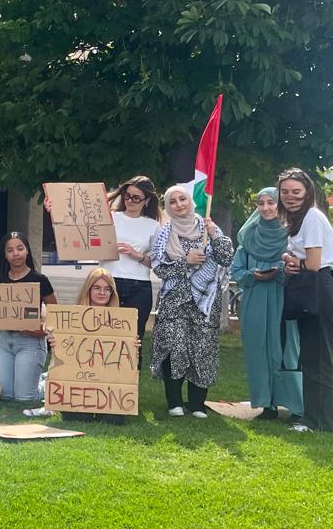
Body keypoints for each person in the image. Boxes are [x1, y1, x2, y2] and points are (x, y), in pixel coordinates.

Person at [150, 185, 233, 420]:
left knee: (202, 349)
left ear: (191, 201)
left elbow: (226, 257)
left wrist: (214, 233)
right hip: (173, 300)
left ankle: (197, 403)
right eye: (173, 201)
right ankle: (174, 401)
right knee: (173, 346)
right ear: (167, 206)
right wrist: (184, 262)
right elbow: (158, 268)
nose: (179, 204)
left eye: (182, 199)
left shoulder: (208, 227)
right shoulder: (164, 233)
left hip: (205, 302)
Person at [229, 187, 303, 421]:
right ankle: (266, 404)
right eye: (261, 204)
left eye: (271, 203)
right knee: (258, 351)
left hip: (285, 300)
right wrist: (253, 274)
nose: (266, 208)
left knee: (286, 350)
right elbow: (236, 269)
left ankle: (295, 405)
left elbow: (299, 267)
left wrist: (279, 270)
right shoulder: (248, 236)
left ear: (280, 205)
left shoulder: (291, 236)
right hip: (255, 300)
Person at [278, 168, 333, 432]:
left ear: (307, 192)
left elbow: (314, 264)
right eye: (285, 192)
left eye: (296, 192)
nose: (290, 197)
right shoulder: (298, 220)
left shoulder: (312, 217)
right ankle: (314, 420)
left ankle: (320, 423)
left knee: (319, 361)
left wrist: (293, 261)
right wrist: (290, 261)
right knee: (312, 360)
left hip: (320, 291)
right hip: (311, 289)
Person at [28, 268, 133, 422]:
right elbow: (62, 360)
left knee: (113, 419)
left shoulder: (122, 323)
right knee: (78, 417)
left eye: (107, 289)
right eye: (97, 288)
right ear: (88, 290)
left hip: (108, 391)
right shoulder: (73, 319)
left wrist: (132, 346)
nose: (102, 293)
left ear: (112, 292)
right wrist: (57, 344)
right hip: (78, 389)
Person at [0, 232, 56, 403]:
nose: (15, 253)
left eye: (20, 248)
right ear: (5, 255)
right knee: (4, 395)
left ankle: (51, 382)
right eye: (10, 250)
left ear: (27, 251)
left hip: (30, 342)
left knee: (25, 397)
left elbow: (55, 310)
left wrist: (43, 331)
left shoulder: (39, 279)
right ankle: (32, 379)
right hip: (5, 340)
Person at [104, 175, 161, 343]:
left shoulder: (153, 226)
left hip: (139, 286)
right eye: (127, 195)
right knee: (104, 336)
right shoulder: (111, 218)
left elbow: (158, 263)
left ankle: (132, 369)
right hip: (108, 281)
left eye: (136, 198)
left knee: (133, 340)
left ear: (147, 200)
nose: (130, 200)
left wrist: (137, 255)